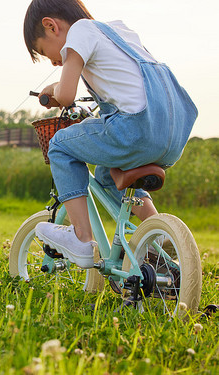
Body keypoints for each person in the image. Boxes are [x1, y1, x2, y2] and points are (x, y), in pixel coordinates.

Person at [23, 0, 197, 268]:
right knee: (106, 174)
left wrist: (54, 92)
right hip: (171, 131)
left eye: (46, 53)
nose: (56, 61)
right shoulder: (118, 31)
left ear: (51, 25)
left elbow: (67, 94)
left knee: (60, 146)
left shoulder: (80, 31)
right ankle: (157, 233)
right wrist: (60, 85)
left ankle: (81, 238)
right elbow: (128, 82)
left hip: (135, 129)